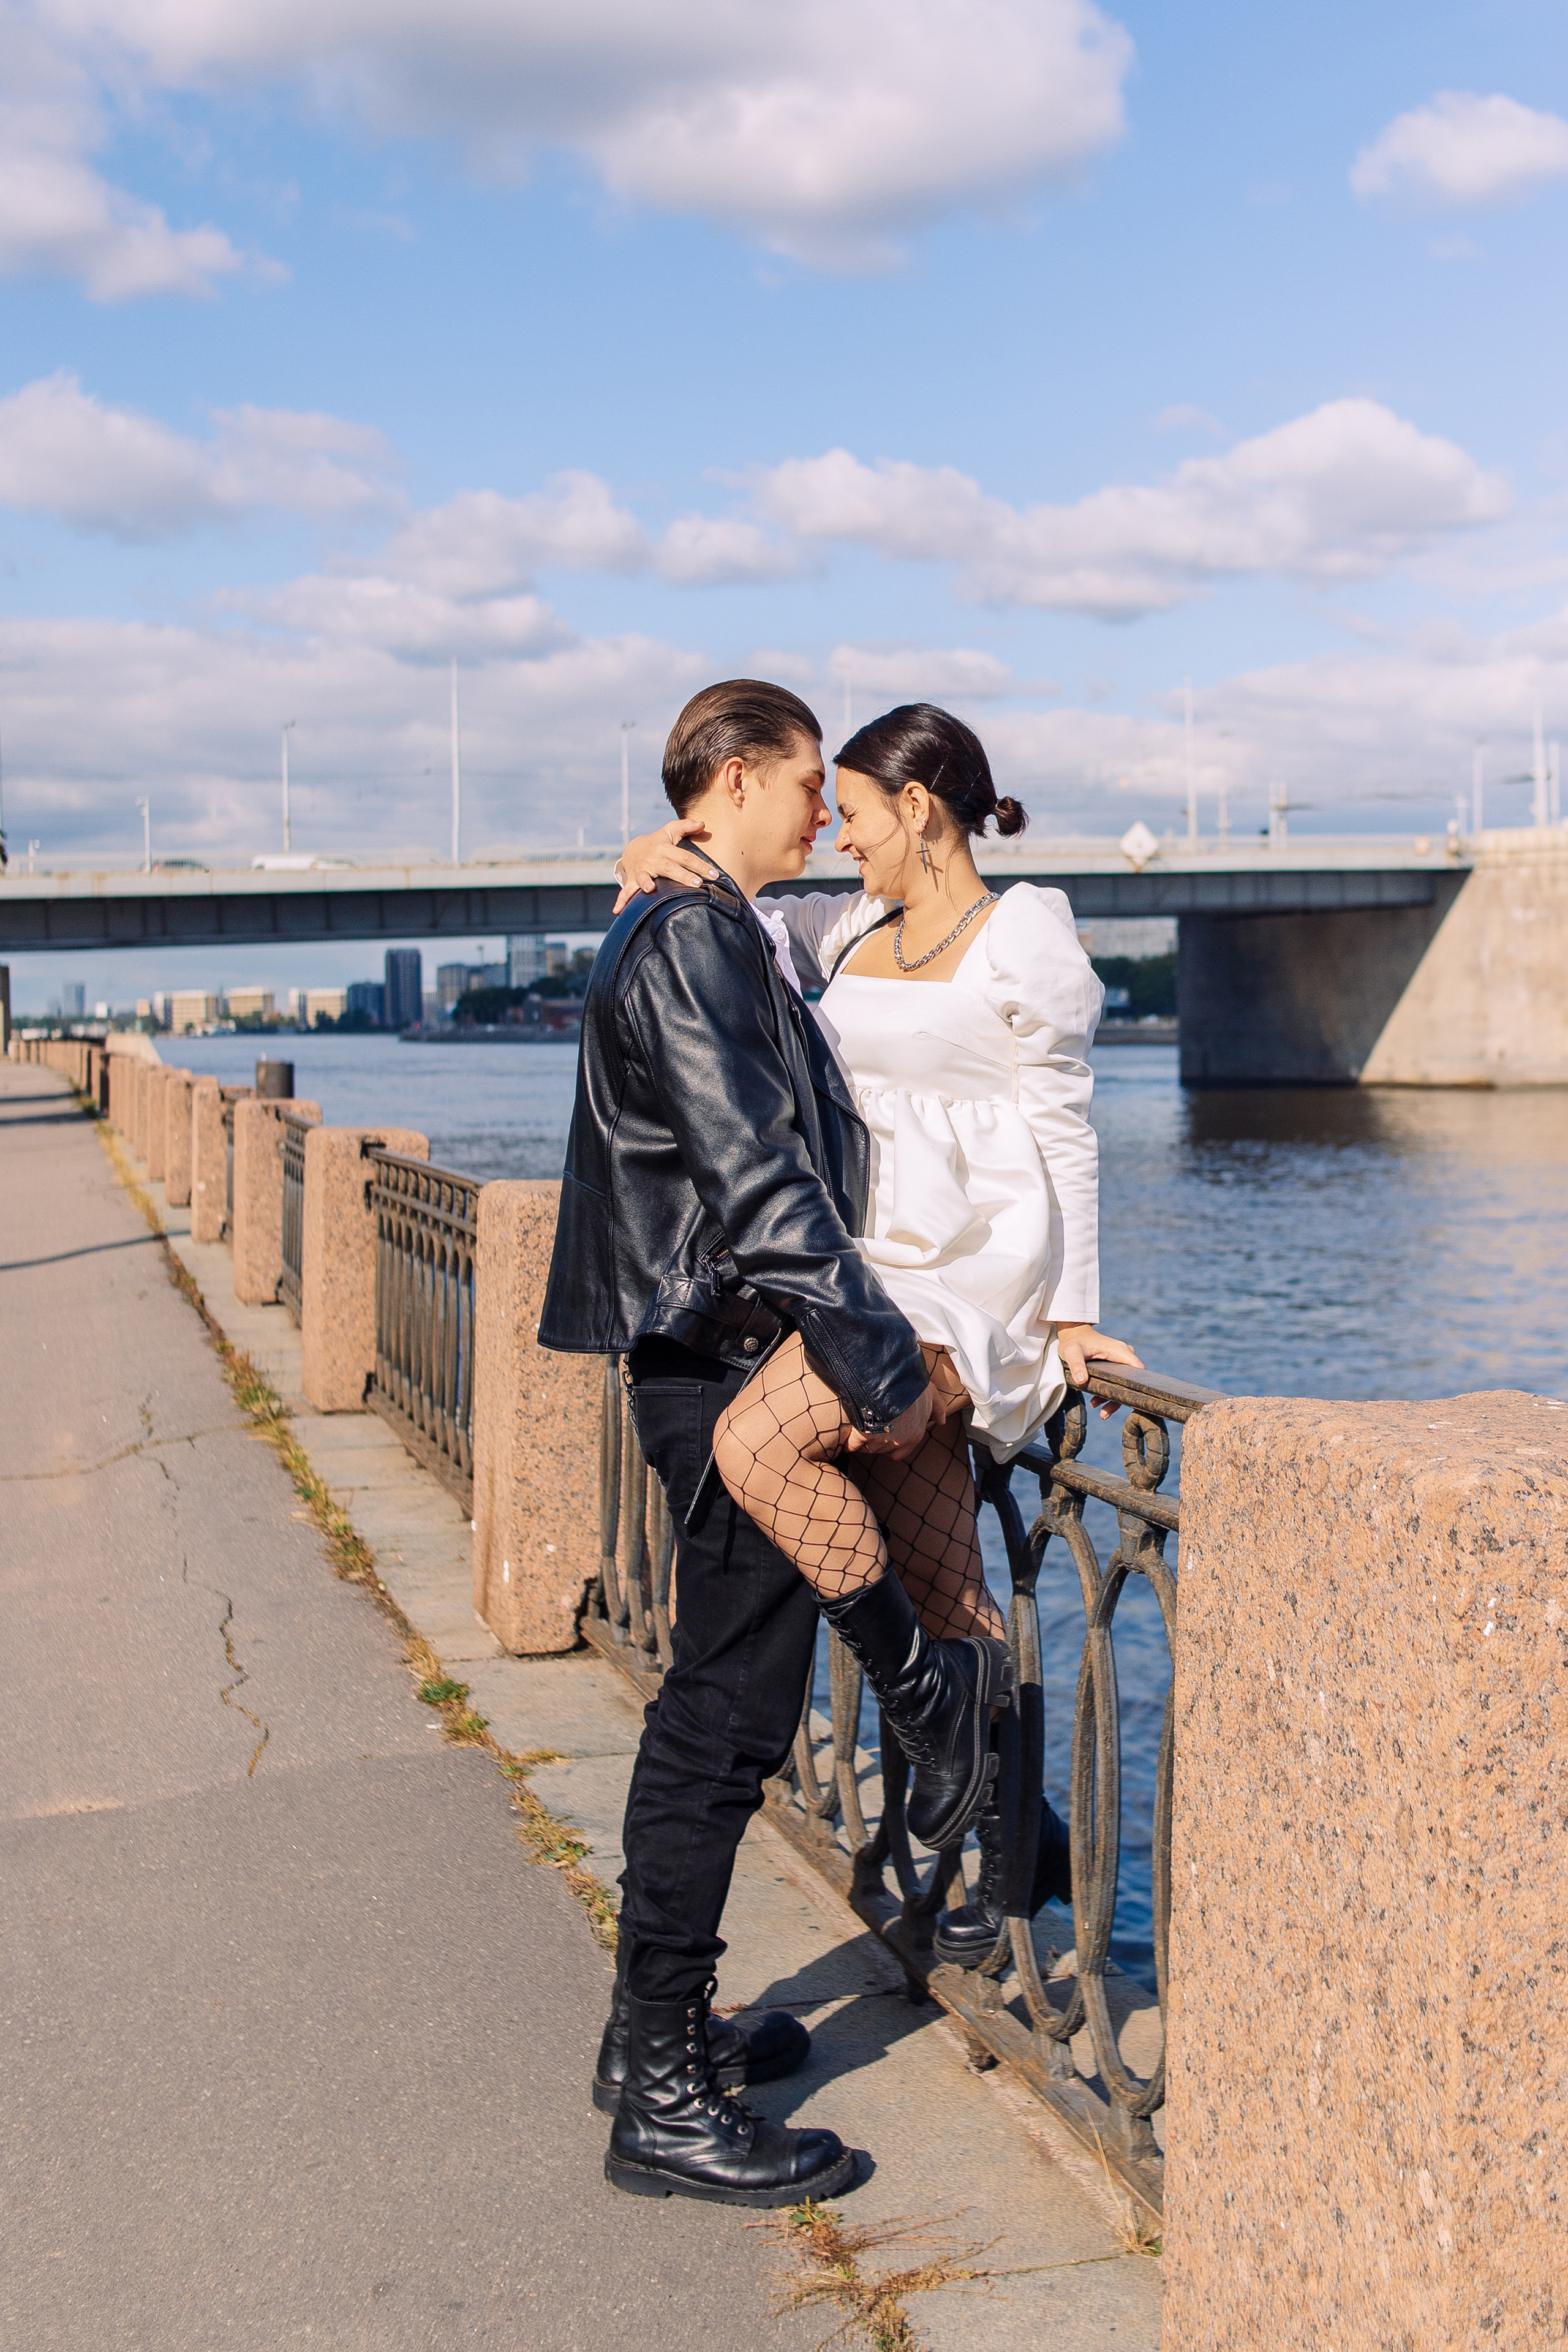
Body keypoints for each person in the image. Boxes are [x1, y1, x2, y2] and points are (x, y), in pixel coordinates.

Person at [538, 680, 1014, 2208]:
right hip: (724, 1356)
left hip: (706, 1346)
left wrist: (649, 847)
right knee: (722, 1727)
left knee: (709, 1714)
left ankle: (647, 2042)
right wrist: (874, 1355)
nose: (825, 808)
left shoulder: (714, 918)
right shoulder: (687, 935)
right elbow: (756, 1182)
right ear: (735, 778)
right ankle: (663, 2096)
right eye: (808, 780)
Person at [613, 701, 1141, 1964]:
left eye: (849, 812)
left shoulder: (1026, 935)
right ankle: (1001, 1859)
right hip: (859, 1269)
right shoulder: (846, 925)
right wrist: (654, 841)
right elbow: (713, 882)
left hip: (968, 1280)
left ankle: (927, 1718)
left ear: (917, 807)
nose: (834, 835)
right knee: (945, 1572)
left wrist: (1075, 1312)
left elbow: (1065, 1130)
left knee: (759, 1446)